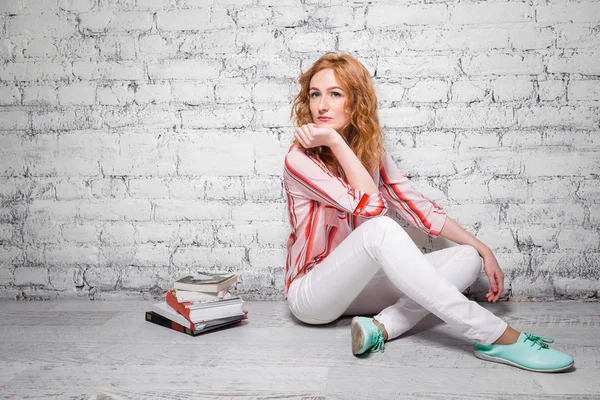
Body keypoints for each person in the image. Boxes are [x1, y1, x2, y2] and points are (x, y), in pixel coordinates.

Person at [282, 52, 574, 373]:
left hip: (361, 289)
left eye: (335, 94)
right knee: (382, 228)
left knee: (466, 258)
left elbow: (417, 206)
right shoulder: (299, 159)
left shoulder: (371, 152)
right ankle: (495, 335)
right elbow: (372, 206)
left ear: (356, 101)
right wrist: (336, 142)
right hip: (314, 295)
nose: (321, 105)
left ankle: (381, 327)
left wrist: (483, 248)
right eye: (315, 94)